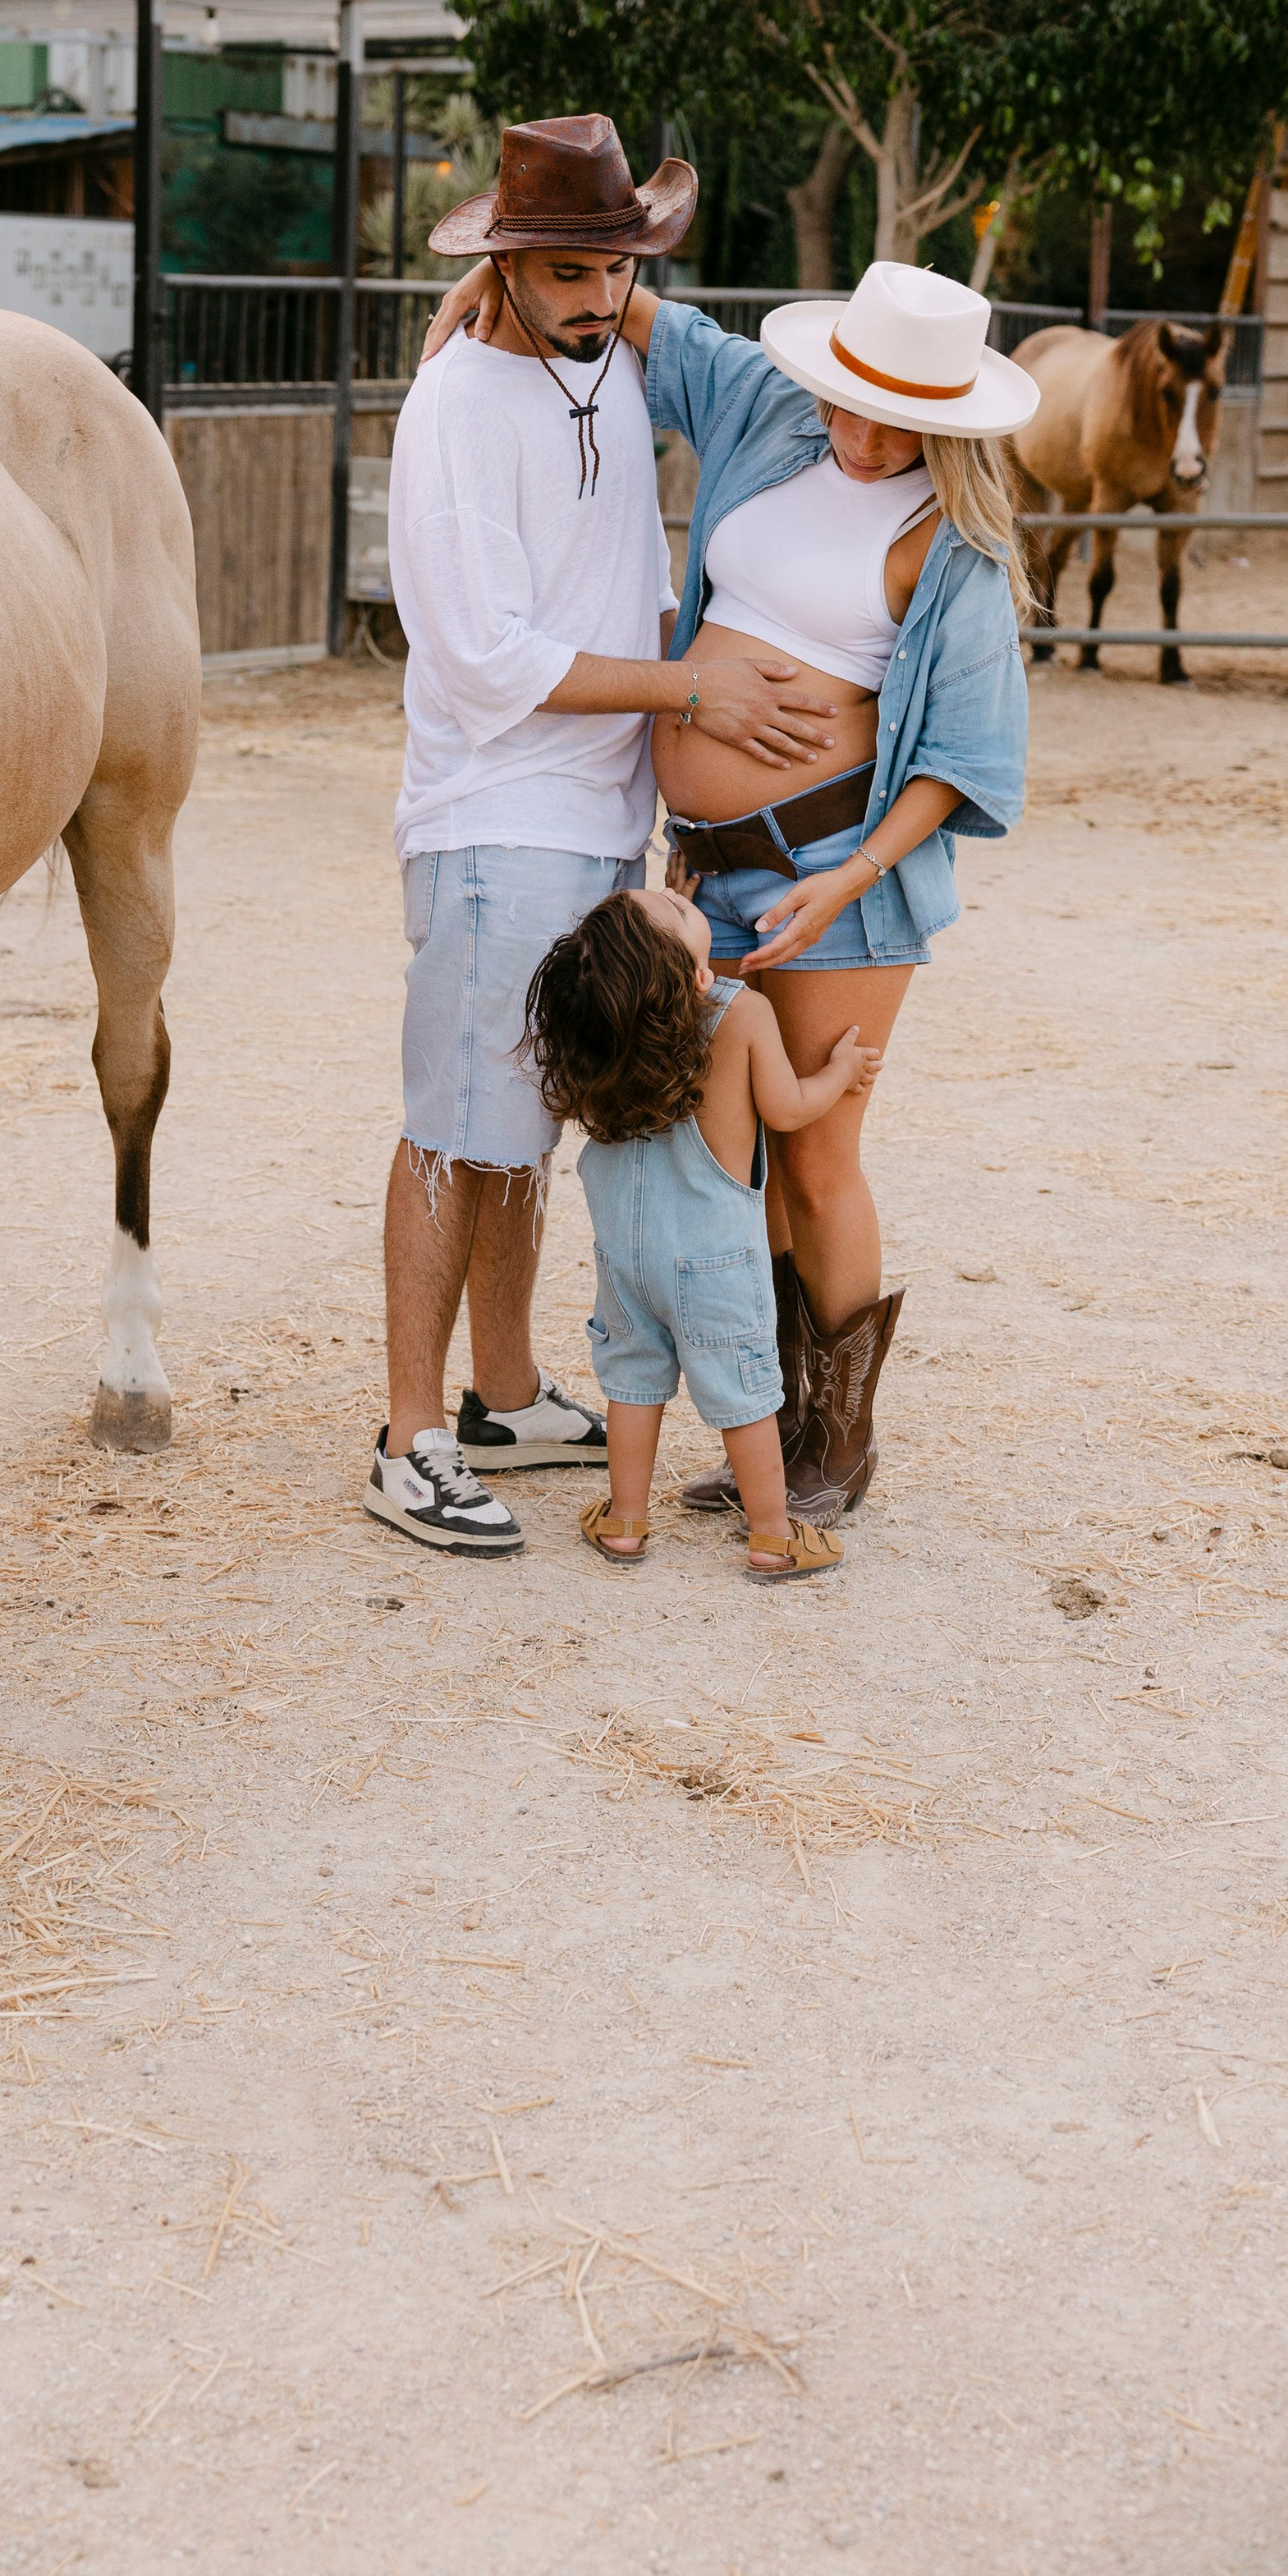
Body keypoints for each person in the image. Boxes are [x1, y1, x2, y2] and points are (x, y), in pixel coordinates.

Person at [419, 250, 1036, 1531]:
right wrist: (499, 279)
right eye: (852, 404)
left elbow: (965, 761)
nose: (863, 438)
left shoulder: (951, 547)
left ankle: (833, 1434)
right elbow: (655, 317)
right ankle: (761, 1410)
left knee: (814, 1151)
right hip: (709, 869)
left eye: (899, 422)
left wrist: (850, 879)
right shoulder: (771, 412)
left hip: (831, 878)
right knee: (733, 1150)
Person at [366, 116, 843, 1557]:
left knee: (531, 1112)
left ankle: (504, 1394)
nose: (595, 299)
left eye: (614, 270)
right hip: (494, 814)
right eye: (564, 271)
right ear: (505, 265)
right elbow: (484, 660)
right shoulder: (454, 411)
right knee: (457, 1121)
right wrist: (690, 683)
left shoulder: (613, 361)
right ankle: (408, 1435)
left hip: (593, 813)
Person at [522, 879, 882, 1579]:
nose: (673, 893)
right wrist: (839, 1070)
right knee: (745, 1396)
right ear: (694, 974)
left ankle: (625, 1521)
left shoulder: (605, 1031)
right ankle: (775, 1536)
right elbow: (786, 1110)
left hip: (625, 1258)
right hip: (713, 1260)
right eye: (682, 910)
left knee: (632, 1383)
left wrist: (669, 920)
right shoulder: (739, 1013)